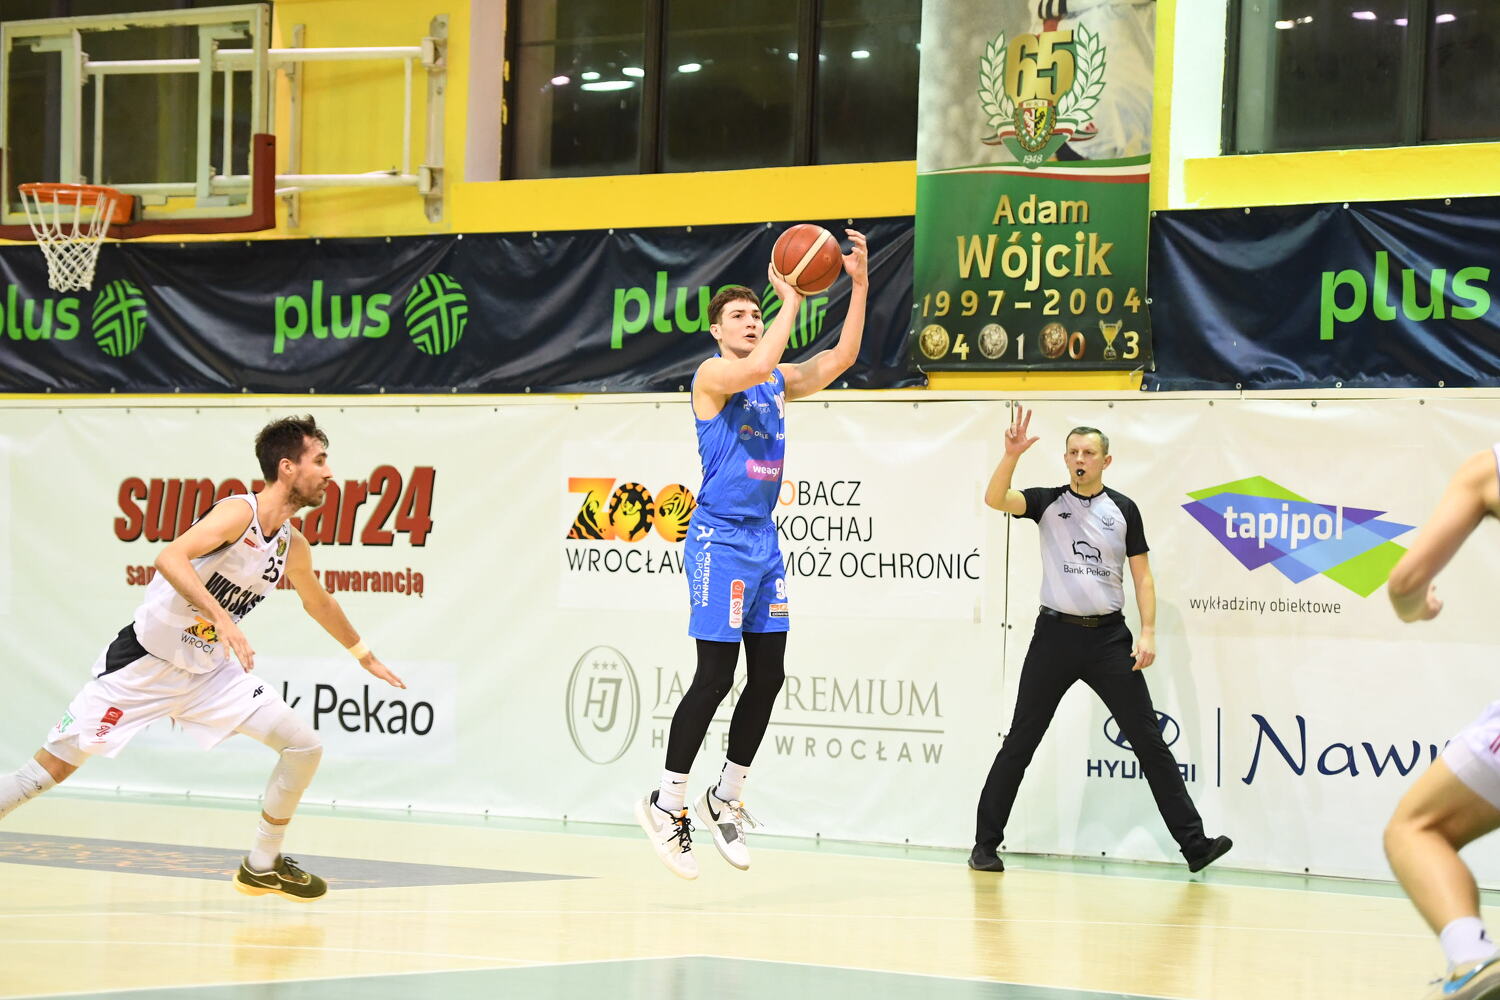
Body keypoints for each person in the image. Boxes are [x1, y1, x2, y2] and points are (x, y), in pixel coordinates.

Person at [0, 415, 404, 901]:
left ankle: (261, 865)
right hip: (143, 666)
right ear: (287, 467)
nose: (329, 472)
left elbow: (318, 601)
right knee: (43, 774)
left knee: (304, 747)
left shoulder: (291, 544)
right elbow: (169, 557)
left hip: (209, 674)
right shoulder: (238, 512)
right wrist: (222, 619)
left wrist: (363, 655)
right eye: (319, 461)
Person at [635, 230, 870, 879]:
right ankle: (667, 801)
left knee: (769, 676)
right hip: (719, 537)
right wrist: (790, 296)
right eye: (739, 315)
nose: (751, 320)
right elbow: (758, 364)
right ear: (717, 331)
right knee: (715, 676)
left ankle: (725, 796)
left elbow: (841, 357)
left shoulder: (775, 382)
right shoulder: (714, 376)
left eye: (756, 314)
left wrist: (858, 285)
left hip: (764, 541)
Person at [968, 407, 1231, 873]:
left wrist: (1147, 631)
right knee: (1021, 739)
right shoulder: (1047, 502)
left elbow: (1143, 577)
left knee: (1149, 742)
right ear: (1065, 459)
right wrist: (1011, 455)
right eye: (1073, 452)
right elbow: (995, 499)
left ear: (1106, 461)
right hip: (1054, 637)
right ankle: (984, 846)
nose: (1079, 459)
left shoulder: (1123, 509)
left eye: (1088, 453)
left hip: (1108, 639)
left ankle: (1195, 846)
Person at [1386, 447, 1500, 1000]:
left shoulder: (1489, 468)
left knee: (1415, 829)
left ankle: (1472, 956)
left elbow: (1405, 584)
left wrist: (1417, 607)